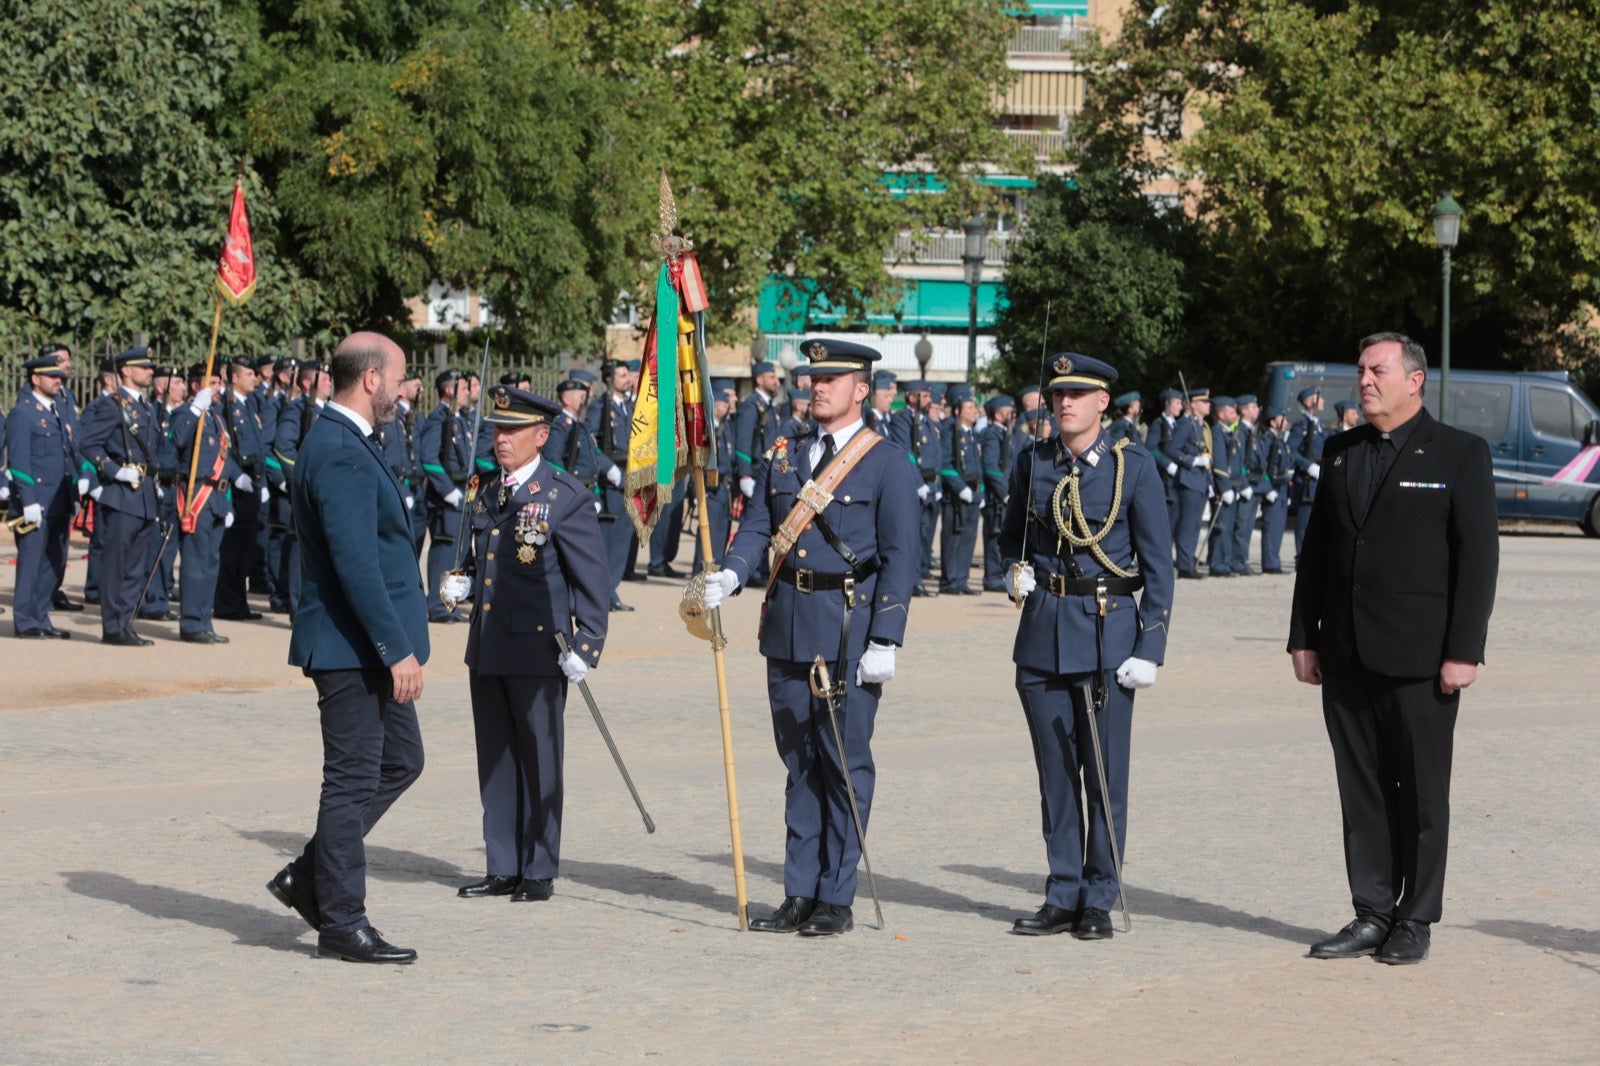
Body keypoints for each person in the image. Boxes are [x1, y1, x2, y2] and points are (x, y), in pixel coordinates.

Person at [1289, 331, 1498, 966]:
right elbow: (1318, 551)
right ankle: (1371, 911)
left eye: (1377, 370)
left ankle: (1416, 917)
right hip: (1347, 652)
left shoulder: (1460, 453)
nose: (1364, 380)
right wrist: (1304, 637)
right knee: (1363, 791)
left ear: (1415, 380)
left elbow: (1478, 559)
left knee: (1423, 794)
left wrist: (1464, 650)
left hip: (1422, 658)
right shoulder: (1341, 450)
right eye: (1360, 370)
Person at [701, 338, 919, 937]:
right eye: (811, 378)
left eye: (832, 378)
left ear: (861, 389)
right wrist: (733, 572)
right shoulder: (785, 454)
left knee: (842, 763)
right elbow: (759, 529)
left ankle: (836, 894)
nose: (816, 387)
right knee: (798, 762)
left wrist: (887, 638)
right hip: (789, 624)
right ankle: (799, 888)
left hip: (848, 629)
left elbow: (901, 558)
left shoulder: (886, 461)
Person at [999, 352, 1174, 939]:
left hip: (1106, 635)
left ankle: (1099, 895)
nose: (1064, 404)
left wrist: (1150, 648)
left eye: (1077, 395)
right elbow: (1009, 536)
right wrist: (1013, 570)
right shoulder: (1032, 463)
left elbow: (1158, 567)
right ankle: (1063, 890)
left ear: (1103, 403)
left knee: (1102, 776)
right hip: (1043, 634)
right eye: (1057, 395)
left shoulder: (1133, 468)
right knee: (1055, 777)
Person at [267, 331, 429, 965]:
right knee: (352, 779)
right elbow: (356, 563)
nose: (404, 388)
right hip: (351, 647)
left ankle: (309, 877)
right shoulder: (339, 450)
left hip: (361, 642)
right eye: (399, 377)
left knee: (402, 760)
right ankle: (340, 920)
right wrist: (395, 650)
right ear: (370, 380)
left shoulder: (348, 442)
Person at [439, 386, 610, 903]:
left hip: (539, 647)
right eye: (497, 429)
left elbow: (592, 580)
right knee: (496, 758)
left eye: (512, 430)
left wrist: (588, 643)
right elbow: (483, 554)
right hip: (489, 643)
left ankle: (537, 867)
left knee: (539, 757)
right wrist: (464, 578)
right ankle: (502, 863)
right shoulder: (485, 488)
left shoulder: (565, 495)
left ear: (541, 435)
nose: (501, 438)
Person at [80, 347, 162, 646]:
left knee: (135, 567)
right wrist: (114, 471)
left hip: (144, 496)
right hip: (121, 494)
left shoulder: (146, 407)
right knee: (116, 563)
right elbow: (89, 444)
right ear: (125, 370)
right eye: (144, 367)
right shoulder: (113, 405)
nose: (150, 371)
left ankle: (126, 622)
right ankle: (113, 626)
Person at [6, 354, 82, 638]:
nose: (58, 380)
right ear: (35, 379)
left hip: (58, 500)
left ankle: (41, 616)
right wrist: (27, 500)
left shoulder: (58, 411)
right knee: (32, 563)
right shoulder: (23, 413)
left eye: (59, 376)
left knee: (54, 562)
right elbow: (19, 461)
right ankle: (25, 621)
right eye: (51, 376)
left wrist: (74, 491)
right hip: (36, 501)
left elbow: (67, 456)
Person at [168, 364, 238, 644]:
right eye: (212, 382)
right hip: (198, 496)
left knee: (211, 563)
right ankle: (191, 623)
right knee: (195, 563)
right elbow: (177, 440)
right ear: (196, 386)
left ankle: (204, 619)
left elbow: (225, 462)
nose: (218, 387)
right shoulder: (187, 414)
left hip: (218, 499)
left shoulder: (217, 419)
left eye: (220, 382)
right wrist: (195, 409)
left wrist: (229, 501)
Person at [420, 368, 473, 623]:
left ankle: (448, 603)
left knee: (457, 553)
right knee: (445, 551)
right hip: (446, 498)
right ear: (449, 390)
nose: (467, 393)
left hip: (461, 493)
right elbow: (428, 458)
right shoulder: (439, 419)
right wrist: (447, 489)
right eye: (463, 388)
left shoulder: (458, 418)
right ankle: (438, 605)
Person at [588, 360, 640, 608]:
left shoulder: (629, 406)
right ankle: (604, 593)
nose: (626, 379)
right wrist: (607, 467)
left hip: (629, 475)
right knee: (608, 539)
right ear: (609, 379)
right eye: (621, 375)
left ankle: (611, 590)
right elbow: (590, 443)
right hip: (610, 479)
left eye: (627, 375)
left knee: (623, 537)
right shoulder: (600, 406)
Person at [890, 380, 941, 596]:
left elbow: (936, 454)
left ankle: (918, 579)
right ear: (913, 397)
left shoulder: (926, 421)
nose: (930, 400)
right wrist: (919, 484)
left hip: (930, 487)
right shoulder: (902, 420)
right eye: (926, 396)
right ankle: (913, 582)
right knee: (913, 538)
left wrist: (936, 484)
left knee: (925, 538)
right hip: (914, 487)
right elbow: (906, 452)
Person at [939, 382, 983, 594]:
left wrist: (980, 491)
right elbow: (945, 464)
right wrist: (961, 489)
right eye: (970, 408)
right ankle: (950, 581)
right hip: (956, 496)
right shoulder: (950, 430)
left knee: (968, 539)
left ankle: (962, 580)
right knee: (953, 539)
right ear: (958, 409)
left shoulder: (971, 432)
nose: (975, 412)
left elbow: (978, 464)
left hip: (973, 493)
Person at [1168, 388, 1213, 579]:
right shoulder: (1186, 425)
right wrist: (1192, 461)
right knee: (1187, 526)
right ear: (1194, 404)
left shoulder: (1199, 426)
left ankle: (1188, 562)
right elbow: (1172, 449)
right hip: (1189, 480)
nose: (1208, 405)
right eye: (1204, 402)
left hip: (1200, 481)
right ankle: (1185, 565)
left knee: (1195, 525)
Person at [979, 394, 1016, 592]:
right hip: (996, 497)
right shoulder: (992, 433)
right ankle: (992, 577)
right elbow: (991, 466)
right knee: (994, 537)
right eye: (1008, 411)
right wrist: (1004, 492)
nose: (1012, 414)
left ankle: (998, 575)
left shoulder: (1003, 433)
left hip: (1004, 494)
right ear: (999, 413)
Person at [1288, 386, 1327, 561]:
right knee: (1304, 522)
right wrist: (1308, 466)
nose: (1323, 400)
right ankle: (1302, 558)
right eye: (1320, 397)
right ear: (1311, 402)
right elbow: (1291, 450)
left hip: (1317, 479)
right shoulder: (1301, 425)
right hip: (1306, 481)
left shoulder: (1317, 425)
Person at [1229, 394, 1264, 576]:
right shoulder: (1240, 431)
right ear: (1244, 410)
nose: (1257, 410)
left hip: (1253, 485)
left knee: (1248, 526)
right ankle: (1237, 561)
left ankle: (1241, 559)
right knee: (1242, 526)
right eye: (1253, 407)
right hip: (1245, 486)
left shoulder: (1250, 431)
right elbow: (1238, 462)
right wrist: (1243, 485)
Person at [1145, 388, 1185, 545]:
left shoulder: (1179, 425)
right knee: (1166, 520)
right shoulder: (1158, 424)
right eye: (1177, 403)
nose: (1180, 407)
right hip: (1165, 478)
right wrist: (1167, 464)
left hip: (1179, 479)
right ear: (1167, 404)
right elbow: (1151, 449)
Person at [1258, 407, 1293, 573]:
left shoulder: (1280, 440)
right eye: (1282, 419)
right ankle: (1270, 563)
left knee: (1278, 528)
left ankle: (1274, 561)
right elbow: (1263, 466)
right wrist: (1267, 488)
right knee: (1271, 527)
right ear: (1272, 422)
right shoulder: (1267, 440)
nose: (1285, 422)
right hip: (1273, 488)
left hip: (1283, 489)